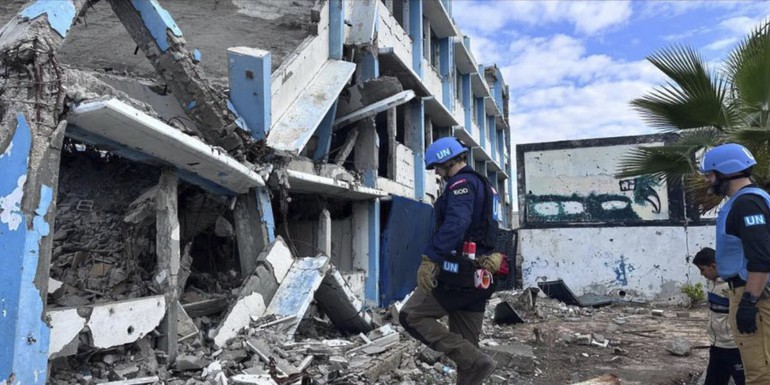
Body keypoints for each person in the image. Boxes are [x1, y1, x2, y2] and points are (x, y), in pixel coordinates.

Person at [398, 137, 505, 385]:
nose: (436, 171)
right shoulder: (485, 186)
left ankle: (479, 361)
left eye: (437, 166)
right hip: (480, 276)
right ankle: (475, 363)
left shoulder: (462, 183)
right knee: (468, 356)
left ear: (448, 160)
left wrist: (431, 258)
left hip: (459, 274)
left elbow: (456, 223)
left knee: (411, 316)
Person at [700, 143, 770, 384]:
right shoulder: (747, 201)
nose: (709, 180)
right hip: (750, 291)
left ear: (726, 172)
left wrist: (749, 302)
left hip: (755, 294)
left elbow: (761, 258)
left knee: (760, 371)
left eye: (710, 174)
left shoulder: (746, 204)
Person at [692, 247, 745, 385]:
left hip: (734, 347)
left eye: (702, 269)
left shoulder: (732, 285)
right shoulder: (712, 282)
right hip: (716, 345)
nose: (702, 274)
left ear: (713, 266)